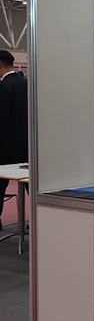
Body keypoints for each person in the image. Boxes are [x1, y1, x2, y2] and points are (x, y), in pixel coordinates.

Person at [0, 50, 28, 231]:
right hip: (27, 146)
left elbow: (2, 119)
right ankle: (40, 221)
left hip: (6, 148)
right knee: (30, 186)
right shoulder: (26, 84)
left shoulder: (3, 87)